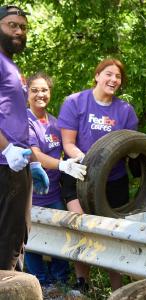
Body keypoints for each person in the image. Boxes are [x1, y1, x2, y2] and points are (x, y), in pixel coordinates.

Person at [57, 58, 138, 291]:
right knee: (82, 227)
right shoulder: (75, 102)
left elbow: (131, 146)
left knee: (113, 234)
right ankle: (83, 283)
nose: (113, 80)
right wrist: (89, 163)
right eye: (108, 74)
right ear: (97, 75)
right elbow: (68, 144)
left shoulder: (125, 111)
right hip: (78, 173)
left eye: (118, 77)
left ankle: (118, 289)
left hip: (113, 181)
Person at [24, 72, 87, 288]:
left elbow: (67, 148)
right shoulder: (24, 121)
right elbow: (35, 155)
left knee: (61, 235)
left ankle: (61, 281)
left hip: (54, 193)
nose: (40, 94)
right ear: (27, 93)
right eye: (35, 90)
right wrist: (62, 164)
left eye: (44, 90)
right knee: (32, 240)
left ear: (50, 92)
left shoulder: (55, 122)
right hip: (30, 194)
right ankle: (40, 282)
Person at [0, 5, 49, 271]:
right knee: (8, 244)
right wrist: (7, 150)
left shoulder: (12, 66)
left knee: (16, 239)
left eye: (23, 27)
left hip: (17, 165)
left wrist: (31, 161)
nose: (19, 31)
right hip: (4, 165)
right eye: (11, 25)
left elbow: (14, 118)